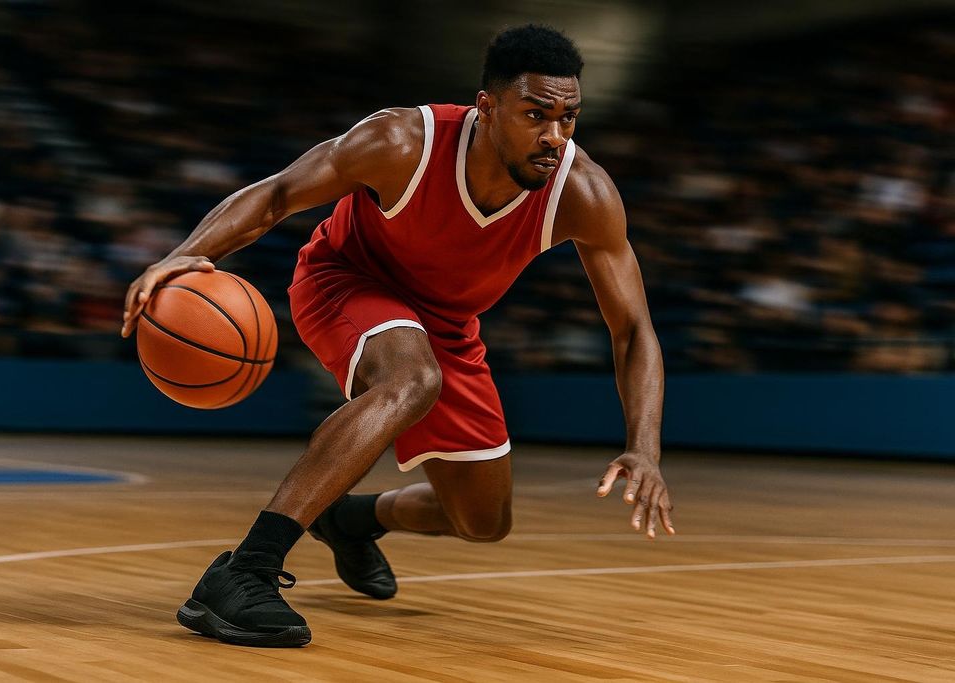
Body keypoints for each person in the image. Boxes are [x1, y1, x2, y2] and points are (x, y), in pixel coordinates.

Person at [121, 24, 674, 648]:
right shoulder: (400, 141)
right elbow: (278, 195)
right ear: (487, 109)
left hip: (449, 325)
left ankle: (352, 517)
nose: (554, 136)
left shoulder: (583, 192)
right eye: (535, 115)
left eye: (569, 118)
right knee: (412, 380)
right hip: (345, 279)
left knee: (482, 520)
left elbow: (632, 329)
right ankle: (245, 570)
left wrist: (644, 447)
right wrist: (184, 256)